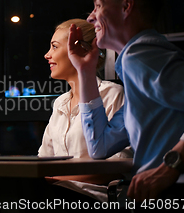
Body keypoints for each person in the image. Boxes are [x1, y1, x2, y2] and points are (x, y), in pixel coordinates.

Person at [68, 0, 184, 201]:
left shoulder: (140, 55)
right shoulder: (137, 60)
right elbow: (100, 146)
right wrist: (85, 71)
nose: (90, 17)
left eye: (98, 5)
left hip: (176, 194)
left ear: (127, 7)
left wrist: (172, 165)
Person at [39, 18, 129, 202]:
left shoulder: (112, 94)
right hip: (56, 190)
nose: (47, 55)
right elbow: (44, 159)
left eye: (54, 47)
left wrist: (56, 180)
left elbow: (119, 166)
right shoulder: (60, 103)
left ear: (81, 50)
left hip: (91, 196)